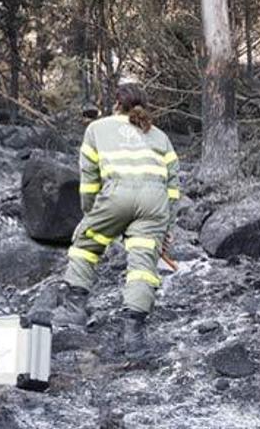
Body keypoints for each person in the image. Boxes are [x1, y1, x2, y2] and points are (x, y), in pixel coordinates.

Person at [53, 83, 180, 356]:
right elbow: (173, 185)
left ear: (116, 104)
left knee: (85, 245)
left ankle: (74, 311)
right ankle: (133, 335)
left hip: (116, 196)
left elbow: (88, 180)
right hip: (154, 204)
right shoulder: (160, 136)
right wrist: (166, 228)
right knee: (143, 264)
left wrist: (90, 216)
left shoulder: (97, 129)